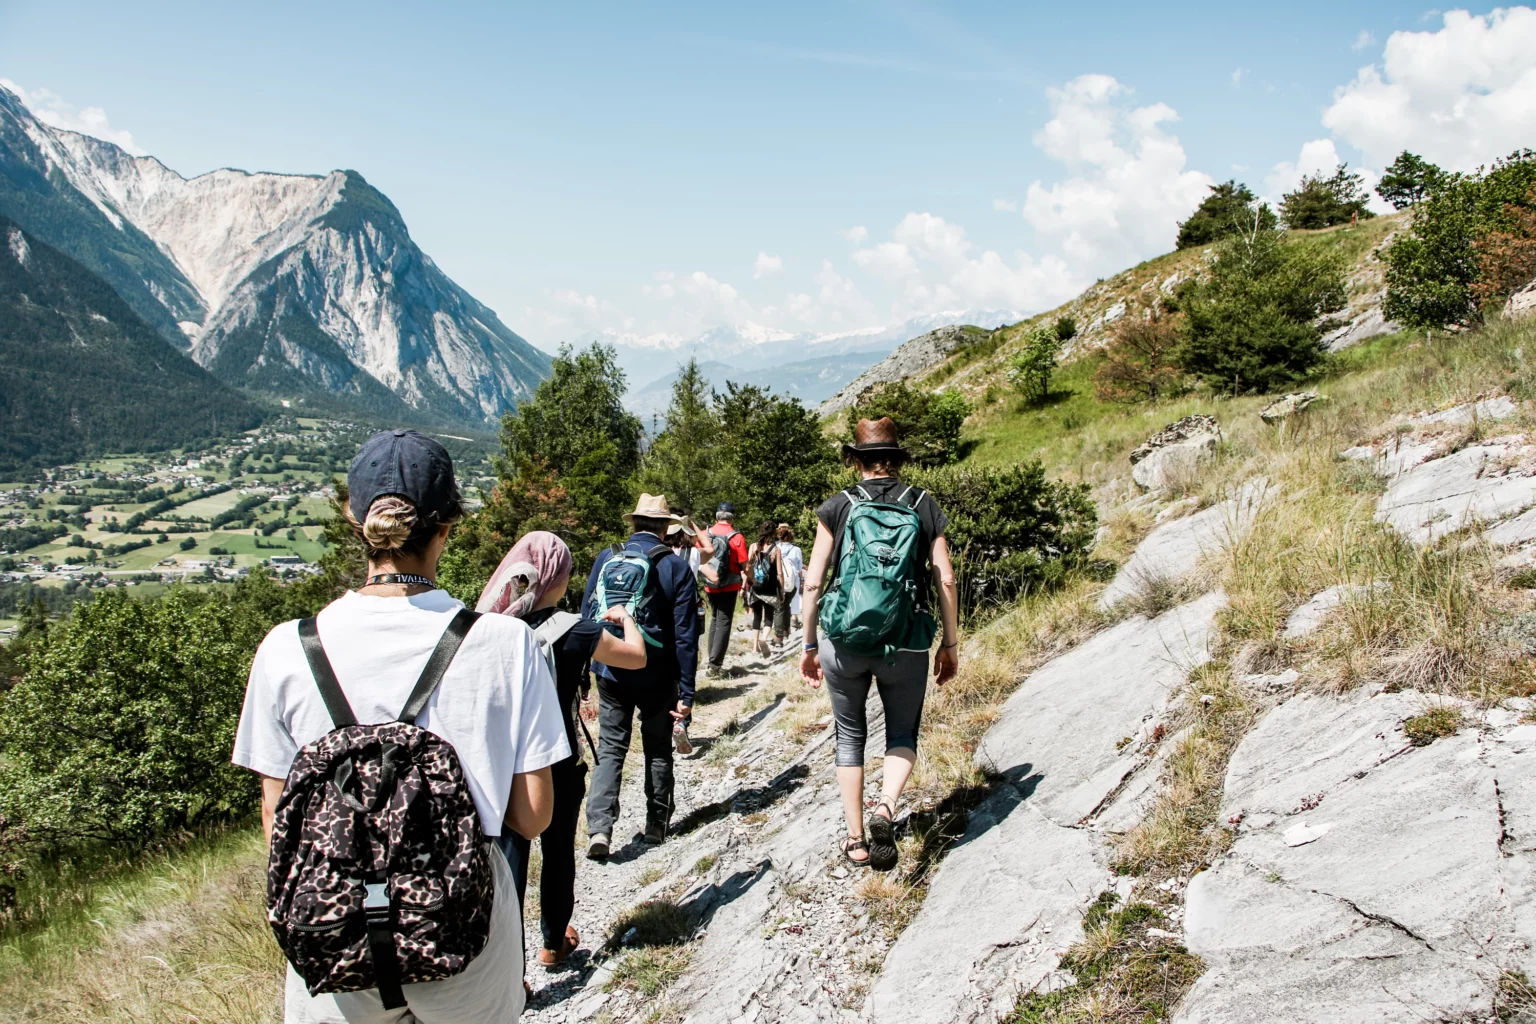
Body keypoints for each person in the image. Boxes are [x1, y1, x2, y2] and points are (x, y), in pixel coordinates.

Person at [233, 429, 569, 1022]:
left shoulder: (287, 648)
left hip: (336, 928)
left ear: (355, 519)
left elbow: (275, 819)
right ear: (447, 526)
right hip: (467, 919)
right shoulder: (506, 644)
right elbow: (532, 815)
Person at [476, 531, 648, 972]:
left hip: (504, 763)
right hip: (558, 757)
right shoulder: (575, 630)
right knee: (558, 853)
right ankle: (553, 941)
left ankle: (508, 968)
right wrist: (625, 618)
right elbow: (635, 657)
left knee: (511, 856)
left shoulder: (488, 630)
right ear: (557, 577)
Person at [798, 417, 960, 872]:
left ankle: (855, 841)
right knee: (902, 732)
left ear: (857, 461)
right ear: (897, 461)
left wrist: (809, 644)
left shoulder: (838, 506)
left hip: (844, 639)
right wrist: (949, 642)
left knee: (849, 736)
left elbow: (813, 584)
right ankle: (886, 808)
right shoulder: (923, 504)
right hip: (905, 639)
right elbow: (945, 577)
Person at [583, 493, 700, 856]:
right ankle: (656, 823)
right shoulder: (675, 567)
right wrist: (687, 690)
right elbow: (686, 635)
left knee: (611, 746)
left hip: (611, 668)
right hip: (657, 672)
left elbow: (588, 616)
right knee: (657, 746)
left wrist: (584, 672)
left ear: (633, 523)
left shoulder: (607, 557)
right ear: (666, 527)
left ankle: (599, 830)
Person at [702, 502, 748, 677]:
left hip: (709, 584)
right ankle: (714, 666)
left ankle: (711, 661)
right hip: (730, 584)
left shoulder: (706, 534)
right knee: (724, 621)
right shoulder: (736, 537)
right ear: (732, 518)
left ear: (716, 517)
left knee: (714, 618)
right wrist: (749, 577)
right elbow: (744, 564)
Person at [745, 521, 788, 657]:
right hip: (770, 588)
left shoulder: (753, 546)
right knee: (768, 617)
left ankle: (754, 647)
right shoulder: (776, 549)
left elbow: (747, 566)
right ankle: (764, 639)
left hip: (756, 586)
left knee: (757, 616)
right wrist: (782, 591)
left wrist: (744, 585)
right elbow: (780, 573)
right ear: (773, 533)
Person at [776, 523, 804, 638]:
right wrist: (801, 580)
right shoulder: (796, 549)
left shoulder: (775, 547)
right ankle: (787, 630)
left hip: (778, 580)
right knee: (787, 604)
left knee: (779, 607)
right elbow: (799, 568)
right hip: (793, 582)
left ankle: (779, 636)